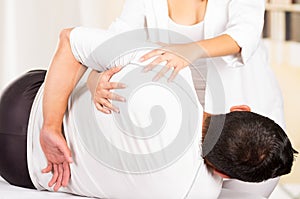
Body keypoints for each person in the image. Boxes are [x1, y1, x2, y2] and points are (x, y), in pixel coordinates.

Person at [37, 0, 285, 197]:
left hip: (238, 122)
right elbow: (112, 40)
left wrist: (191, 50)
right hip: (184, 123)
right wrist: (94, 81)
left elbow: (245, 33)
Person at [0, 60, 297, 198]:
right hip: (20, 169)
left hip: (21, 100)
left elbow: (71, 43)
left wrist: (51, 125)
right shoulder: (196, 194)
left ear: (239, 109)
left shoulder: (173, 77)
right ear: (225, 174)